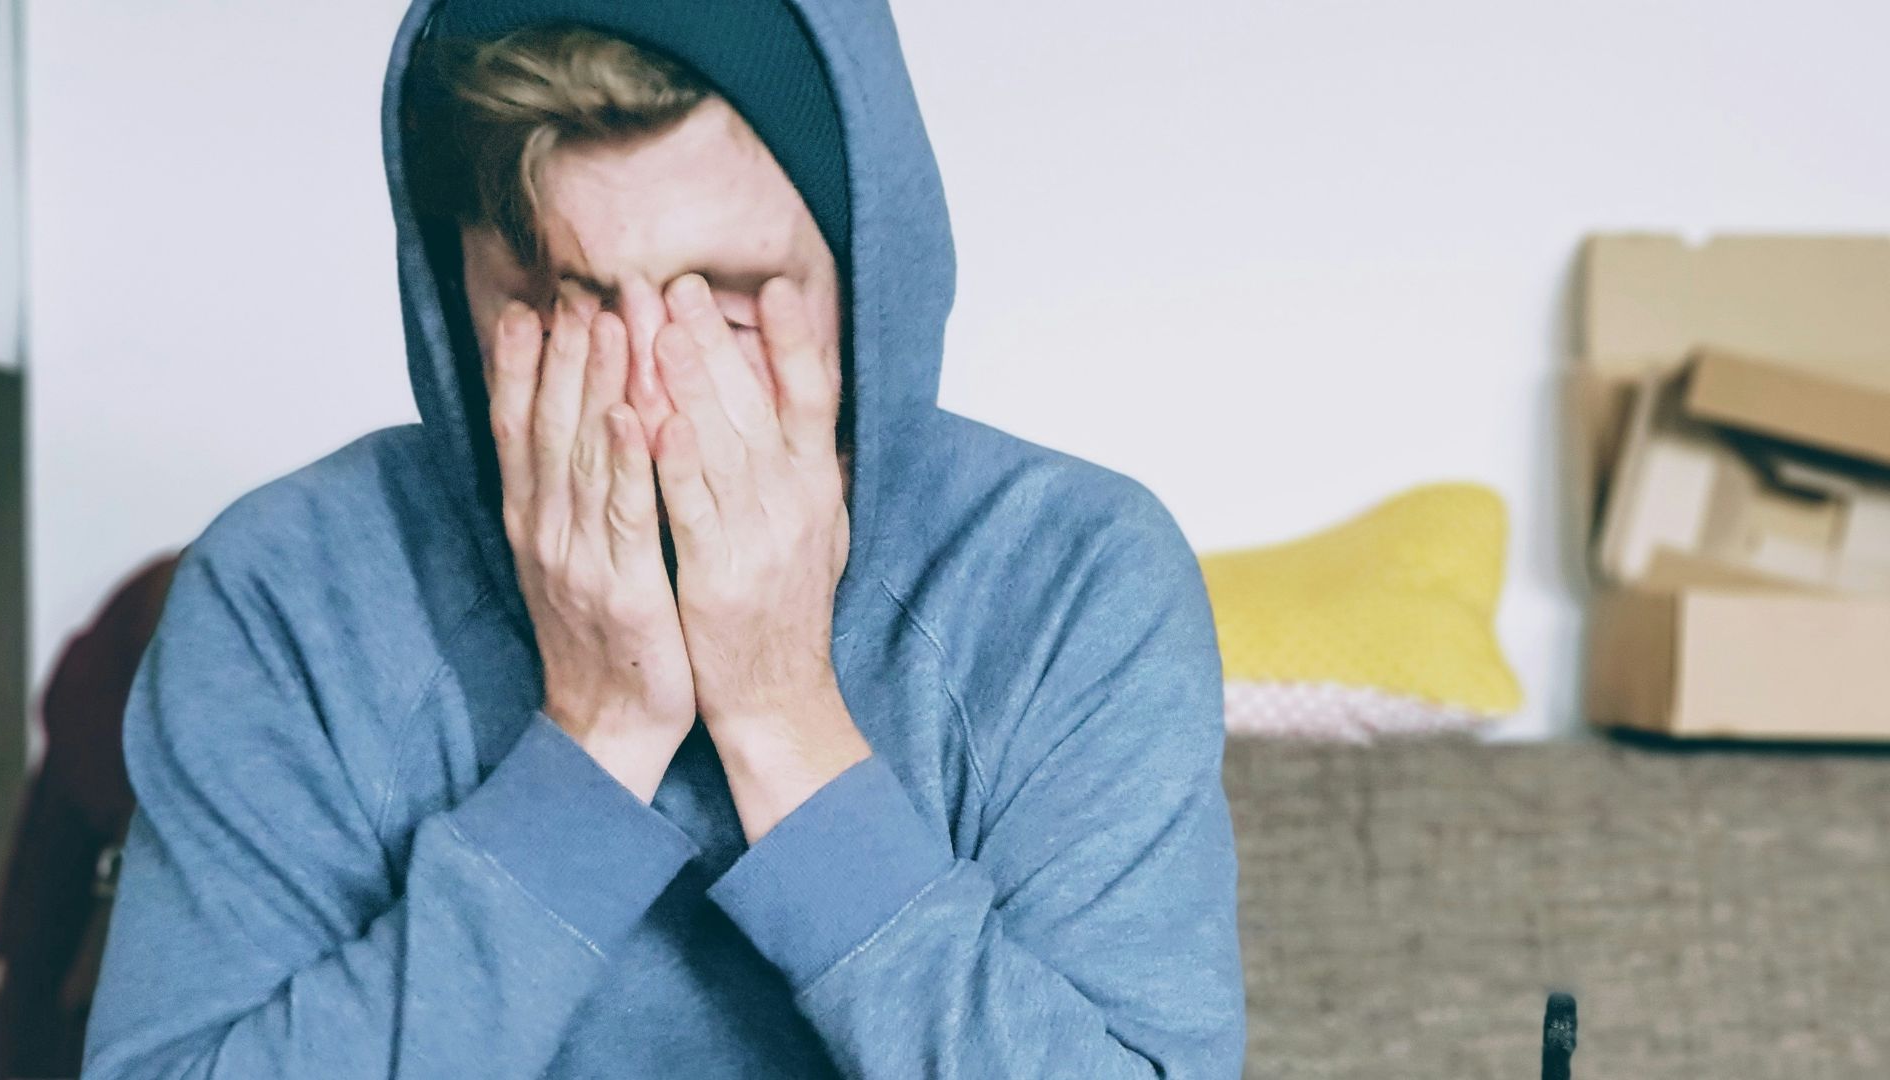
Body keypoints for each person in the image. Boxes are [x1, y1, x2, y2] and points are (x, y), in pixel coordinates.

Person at [81, 1, 1247, 1076]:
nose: (646, 397)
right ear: (454, 299)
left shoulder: (1075, 577)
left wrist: (784, 722)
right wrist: (594, 741)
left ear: (865, 275)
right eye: (561, 306)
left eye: (728, 306)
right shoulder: (288, 587)